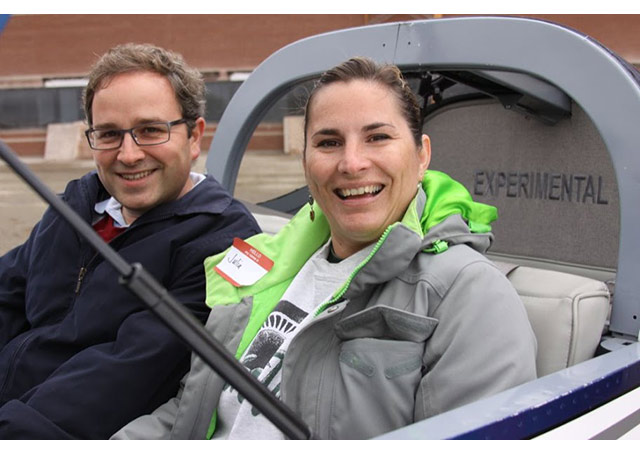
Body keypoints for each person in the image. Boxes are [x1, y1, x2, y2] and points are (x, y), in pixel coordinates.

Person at [113, 57, 536, 440]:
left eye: (378, 137)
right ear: (306, 162)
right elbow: (197, 409)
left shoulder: (467, 294)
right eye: (328, 142)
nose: (352, 163)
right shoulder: (273, 272)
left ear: (422, 155)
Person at [0, 43, 260, 439]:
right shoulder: (77, 204)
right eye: (108, 134)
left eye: (150, 130)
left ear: (194, 136)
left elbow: (123, 376)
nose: (128, 154)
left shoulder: (222, 244)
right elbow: (8, 291)